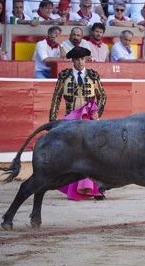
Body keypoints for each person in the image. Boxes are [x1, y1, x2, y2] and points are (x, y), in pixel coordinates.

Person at [49, 46, 107, 201]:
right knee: (72, 156)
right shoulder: (64, 76)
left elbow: (103, 97)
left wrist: (97, 113)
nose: (80, 62)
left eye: (82, 59)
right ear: (72, 61)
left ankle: (97, 188)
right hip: (71, 122)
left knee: (94, 155)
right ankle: (73, 188)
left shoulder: (93, 75)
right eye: (77, 59)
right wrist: (52, 122)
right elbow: (56, 99)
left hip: (90, 122)